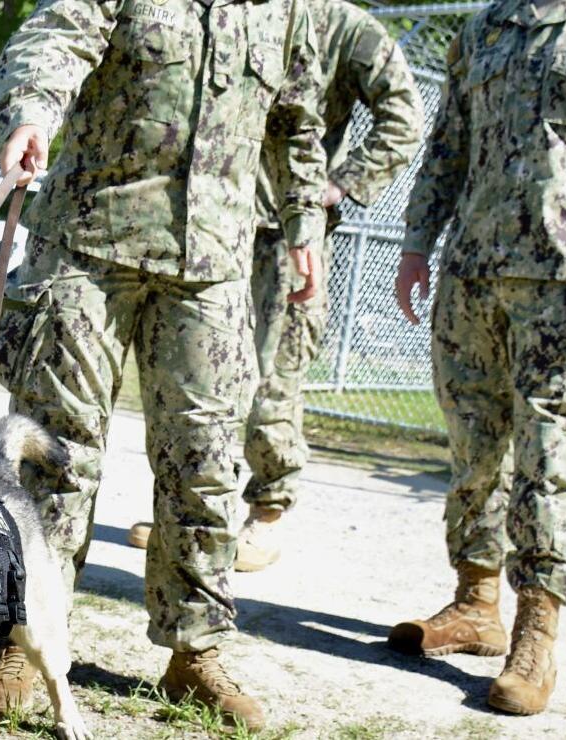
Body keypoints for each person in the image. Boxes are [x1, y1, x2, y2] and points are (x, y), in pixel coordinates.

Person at [0, 0, 329, 730]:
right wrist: (29, 113)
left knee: (203, 459)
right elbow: (53, 38)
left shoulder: (286, 10)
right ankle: (23, 636)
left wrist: (303, 223)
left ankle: (193, 651)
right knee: (52, 451)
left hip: (213, 261)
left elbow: (297, 120)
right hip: (87, 242)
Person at [126, 0, 425, 572]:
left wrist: (339, 186)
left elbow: (404, 117)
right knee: (190, 377)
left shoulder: (346, 27)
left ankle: (267, 512)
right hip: (208, 221)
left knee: (272, 375)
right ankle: (185, 514)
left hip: (287, 236)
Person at [389, 0, 566, 716]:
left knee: (549, 455)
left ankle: (535, 634)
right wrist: (417, 241)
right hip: (471, 273)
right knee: (472, 450)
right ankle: (473, 603)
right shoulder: (484, 25)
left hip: (565, 284)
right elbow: (448, 142)